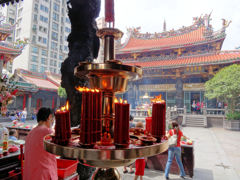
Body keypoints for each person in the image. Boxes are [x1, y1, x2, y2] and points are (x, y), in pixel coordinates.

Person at [23, 107, 57, 180]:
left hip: (30, 174)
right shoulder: (48, 132)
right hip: (43, 174)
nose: (53, 121)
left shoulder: (30, 133)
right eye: (53, 119)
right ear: (50, 117)